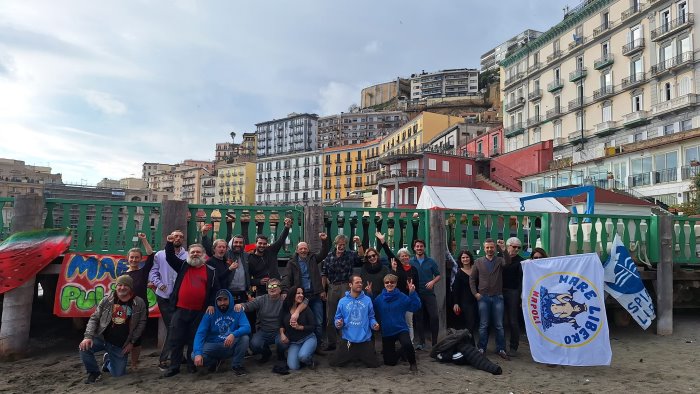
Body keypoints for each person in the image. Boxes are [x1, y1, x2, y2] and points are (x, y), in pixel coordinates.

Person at [162, 238, 220, 377]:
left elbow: (215, 291)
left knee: (194, 339)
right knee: (176, 339)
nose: (195, 254)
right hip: (180, 309)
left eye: (198, 252)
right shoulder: (183, 266)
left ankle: (191, 365)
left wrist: (212, 304)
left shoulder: (211, 271)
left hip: (199, 311)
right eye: (192, 252)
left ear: (204, 255)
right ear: (188, 254)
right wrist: (170, 243)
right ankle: (174, 366)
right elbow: (169, 256)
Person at [79, 275, 147, 384]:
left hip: (120, 345)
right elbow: (94, 318)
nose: (122, 287)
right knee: (84, 347)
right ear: (116, 286)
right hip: (102, 338)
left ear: (131, 288)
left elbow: (141, 324)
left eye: (126, 285)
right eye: (119, 285)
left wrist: (132, 342)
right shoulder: (107, 300)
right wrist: (88, 337)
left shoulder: (139, 303)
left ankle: (107, 361)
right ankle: (94, 373)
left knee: (118, 374)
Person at [148, 229, 187, 371]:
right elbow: (152, 272)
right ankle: (164, 359)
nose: (178, 238)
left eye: (181, 237)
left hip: (180, 297)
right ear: (170, 237)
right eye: (175, 236)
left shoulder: (187, 256)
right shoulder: (160, 254)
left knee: (179, 327)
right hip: (164, 297)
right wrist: (159, 284)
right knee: (173, 327)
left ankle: (178, 355)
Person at [282, 233, 330, 345]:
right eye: (301, 248)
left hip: (315, 295)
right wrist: (284, 290)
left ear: (308, 250)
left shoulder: (313, 258)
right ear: (297, 250)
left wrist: (324, 241)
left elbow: (324, 253)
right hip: (301, 297)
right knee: (303, 321)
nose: (303, 250)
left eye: (305, 248)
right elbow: (286, 277)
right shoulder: (292, 262)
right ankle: (305, 343)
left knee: (318, 321)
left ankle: (317, 345)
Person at [470, 238, 512, 360]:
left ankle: (501, 349)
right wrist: (475, 294)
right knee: (483, 324)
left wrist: (503, 249)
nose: (489, 249)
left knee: (499, 325)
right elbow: (472, 279)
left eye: (492, 247)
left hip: (498, 296)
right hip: (483, 297)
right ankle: (482, 348)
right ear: (484, 248)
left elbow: (508, 262)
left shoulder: (499, 260)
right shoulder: (478, 262)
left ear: (495, 248)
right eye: (487, 247)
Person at [234, 278, 294, 364]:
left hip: (279, 331)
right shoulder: (261, 299)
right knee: (254, 344)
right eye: (269, 286)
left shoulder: (284, 300)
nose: (272, 288)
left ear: (280, 289)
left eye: (274, 286)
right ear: (267, 289)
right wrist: (240, 306)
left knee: (283, 343)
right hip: (264, 331)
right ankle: (266, 353)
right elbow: (249, 305)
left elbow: (301, 300)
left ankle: (281, 354)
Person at [192, 289, 251, 375]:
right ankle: (214, 362)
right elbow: (200, 334)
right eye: (219, 300)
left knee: (244, 338)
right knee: (194, 355)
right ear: (216, 301)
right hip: (213, 345)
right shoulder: (210, 312)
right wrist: (198, 353)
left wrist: (233, 334)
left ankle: (237, 365)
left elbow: (247, 327)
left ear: (230, 299)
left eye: (225, 299)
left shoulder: (237, 310)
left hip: (230, 344)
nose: (222, 302)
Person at [321, 234, 364, 351]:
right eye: (339, 244)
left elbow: (361, 255)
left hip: (346, 286)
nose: (341, 246)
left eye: (344, 244)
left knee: (346, 316)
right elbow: (324, 275)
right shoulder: (329, 257)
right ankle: (331, 343)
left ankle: (345, 342)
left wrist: (359, 243)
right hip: (332, 287)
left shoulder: (350, 255)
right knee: (331, 317)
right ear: (335, 244)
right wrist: (322, 290)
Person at [329, 275, 380, 368]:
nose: (360, 284)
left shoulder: (367, 300)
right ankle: (354, 355)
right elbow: (337, 318)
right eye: (357, 282)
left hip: (364, 339)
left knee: (374, 365)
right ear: (350, 284)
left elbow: (371, 317)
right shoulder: (342, 301)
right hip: (348, 339)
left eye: (361, 282)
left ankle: (357, 356)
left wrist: (374, 324)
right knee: (334, 363)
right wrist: (338, 323)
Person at [372, 274, 421, 372]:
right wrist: (369, 294)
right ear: (384, 284)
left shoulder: (402, 297)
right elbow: (371, 309)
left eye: (392, 282)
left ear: (396, 284)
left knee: (407, 344)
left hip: (400, 328)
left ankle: (413, 364)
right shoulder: (379, 299)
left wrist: (412, 293)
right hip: (387, 332)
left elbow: (415, 307)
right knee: (390, 362)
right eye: (387, 282)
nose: (389, 284)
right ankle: (402, 352)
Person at [123, 232, 155, 369]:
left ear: (140, 259)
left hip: (141, 309)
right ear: (128, 259)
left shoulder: (143, 272)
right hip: (125, 308)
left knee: (137, 336)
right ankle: (121, 360)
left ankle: (134, 363)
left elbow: (151, 255)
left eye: (137, 258)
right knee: (123, 335)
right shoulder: (123, 275)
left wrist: (144, 239)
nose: (134, 260)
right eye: (132, 257)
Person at [248, 217, 292, 296]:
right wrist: (259, 281)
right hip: (262, 291)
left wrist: (287, 227)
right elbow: (247, 279)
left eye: (264, 244)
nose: (262, 245)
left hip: (277, 288)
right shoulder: (250, 258)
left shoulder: (271, 251)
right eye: (260, 243)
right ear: (255, 244)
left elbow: (281, 240)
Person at [410, 239, 441, 351]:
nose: (419, 248)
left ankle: (435, 343)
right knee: (419, 318)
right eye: (417, 246)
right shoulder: (410, 261)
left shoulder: (431, 261)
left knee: (434, 317)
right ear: (414, 248)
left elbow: (438, 275)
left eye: (421, 246)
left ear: (424, 248)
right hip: (416, 294)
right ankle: (422, 342)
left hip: (429, 293)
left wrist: (433, 282)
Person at [280, 287, 317, 370]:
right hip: (294, 342)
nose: (301, 295)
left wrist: (299, 327)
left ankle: (310, 360)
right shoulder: (285, 309)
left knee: (303, 356)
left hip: (308, 338)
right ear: (292, 295)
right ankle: (299, 356)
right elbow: (281, 323)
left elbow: (313, 326)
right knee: (293, 367)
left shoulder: (306, 308)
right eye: (298, 293)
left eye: (302, 293)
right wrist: (282, 334)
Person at [502, 237, 525, 357]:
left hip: (513, 292)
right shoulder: (500, 258)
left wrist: (521, 295)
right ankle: (500, 346)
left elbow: (523, 280)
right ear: (507, 246)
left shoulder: (522, 261)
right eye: (514, 246)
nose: (516, 249)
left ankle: (513, 347)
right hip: (499, 291)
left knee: (513, 320)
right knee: (499, 320)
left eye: (518, 247)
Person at [452, 250, 478, 337]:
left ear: (470, 258)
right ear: (460, 259)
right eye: (463, 257)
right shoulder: (459, 273)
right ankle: (470, 345)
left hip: (478, 300)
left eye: (467, 257)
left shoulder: (476, 270)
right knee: (470, 324)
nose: (465, 259)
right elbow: (456, 289)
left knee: (478, 324)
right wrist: (456, 303)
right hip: (466, 302)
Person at [201, 224, 234, 290]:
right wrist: (229, 269)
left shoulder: (225, 260)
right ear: (214, 249)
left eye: (224, 247)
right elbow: (217, 279)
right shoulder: (210, 262)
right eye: (219, 247)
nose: (222, 249)